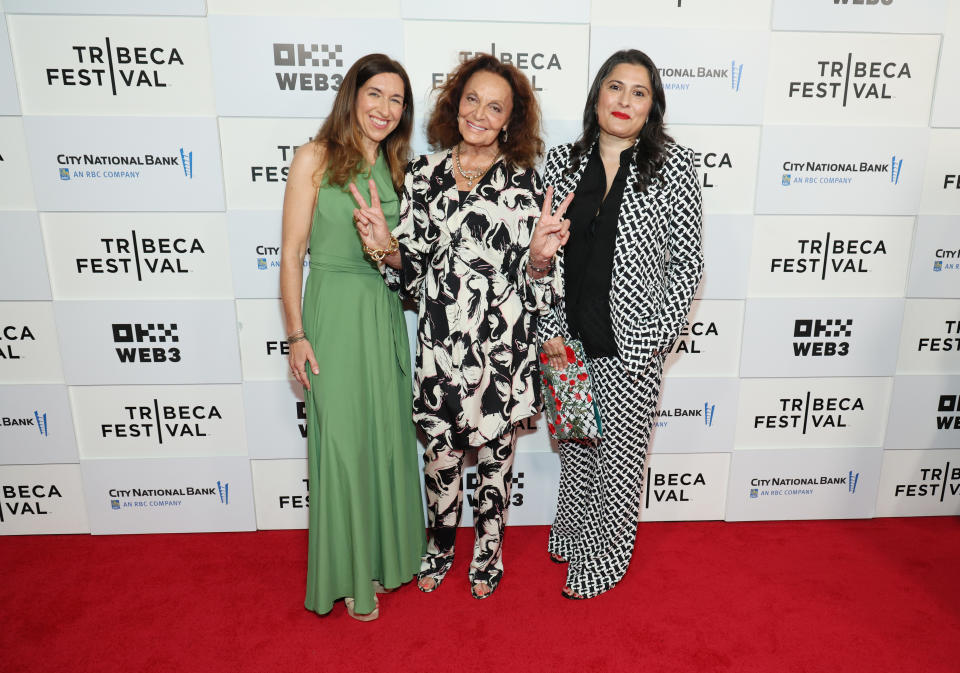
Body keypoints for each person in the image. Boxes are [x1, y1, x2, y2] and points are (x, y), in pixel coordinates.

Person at [352, 54, 572, 600]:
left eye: (495, 107)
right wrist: (384, 244)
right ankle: (441, 547)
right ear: (455, 103)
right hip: (441, 351)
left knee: (496, 468)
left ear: (509, 121)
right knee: (440, 462)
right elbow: (412, 273)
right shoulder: (423, 174)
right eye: (472, 99)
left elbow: (540, 287)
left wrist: (542, 257)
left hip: (502, 353)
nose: (479, 113)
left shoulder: (525, 184)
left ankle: (489, 553)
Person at [539, 49, 703, 599]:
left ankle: (605, 556)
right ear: (597, 96)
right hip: (568, 335)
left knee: (622, 457)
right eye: (615, 87)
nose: (625, 101)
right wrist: (549, 329)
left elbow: (687, 263)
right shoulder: (562, 162)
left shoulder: (674, 168)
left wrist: (656, 338)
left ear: (652, 105)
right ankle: (575, 532)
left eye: (639, 92)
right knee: (581, 444)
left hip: (632, 341)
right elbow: (541, 253)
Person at [280, 53, 425, 622]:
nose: (384, 109)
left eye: (396, 100)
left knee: (381, 440)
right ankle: (345, 577)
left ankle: (380, 563)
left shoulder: (399, 168)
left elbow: (401, 262)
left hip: (381, 311)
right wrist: (296, 335)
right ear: (352, 96)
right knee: (340, 445)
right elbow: (292, 256)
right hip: (334, 311)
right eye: (375, 95)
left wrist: (384, 244)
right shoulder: (314, 158)